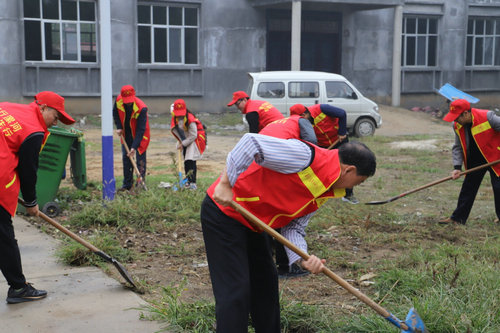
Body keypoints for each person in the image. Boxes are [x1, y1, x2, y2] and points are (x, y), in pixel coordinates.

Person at [200, 133, 376, 332]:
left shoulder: (325, 189)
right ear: (349, 170)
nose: (354, 187)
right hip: (224, 213)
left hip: (255, 223)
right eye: (358, 182)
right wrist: (225, 184)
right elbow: (251, 142)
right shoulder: (304, 156)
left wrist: (304, 259)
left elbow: (293, 228)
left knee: (266, 287)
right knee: (236, 290)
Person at [0, 91, 75, 304]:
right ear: (42, 108)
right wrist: (32, 203)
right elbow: (28, 171)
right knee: (4, 237)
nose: (55, 122)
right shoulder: (33, 131)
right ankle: (18, 288)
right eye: (55, 116)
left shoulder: (7, 106)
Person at [259, 115, 317, 278]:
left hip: (263, 167)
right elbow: (312, 145)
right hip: (272, 168)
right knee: (281, 217)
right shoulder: (302, 122)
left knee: (268, 217)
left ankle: (270, 266)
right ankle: (284, 267)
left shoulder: (282, 123)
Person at [439, 99, 500, 225]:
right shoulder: (457, 125)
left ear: (466, 113)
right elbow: (458, 147)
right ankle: (458, 219)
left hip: (496, 157)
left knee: (498, 188)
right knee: (468, 188)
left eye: (457, 117)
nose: (455, 120)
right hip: (475, 160)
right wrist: (457, 167)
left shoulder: (488, 117)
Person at [290, 103, 359, 204]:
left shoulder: (322, 109)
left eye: (301, 119)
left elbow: (342, 113)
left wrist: (342, 132)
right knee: (323, 169)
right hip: (324, 147)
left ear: (305, 115)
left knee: (347, 165)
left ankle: (348, 195)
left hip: (339, 140)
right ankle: (322, 194)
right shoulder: (302, 123)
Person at [113, 85, 150, 191]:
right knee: (126, 158)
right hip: (126, 133)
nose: (128, 103)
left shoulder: (142, 108)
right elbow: (115, 113)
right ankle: (127, 184)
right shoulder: (118, 100)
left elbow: (140, 130)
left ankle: (140, 184)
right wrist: (119, 127)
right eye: (126, 101)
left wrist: (134, 147)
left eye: (130, 101)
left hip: (141, 135)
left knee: (140, 160)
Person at [170, 99, 207, 190]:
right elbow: (180, 132)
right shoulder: (176, 118)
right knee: (186, 161)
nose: (179, 115)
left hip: (195, 139)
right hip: (187, 139)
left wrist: (183, 144)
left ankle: (192, 182)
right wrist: (180, 142)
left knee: (191, 160)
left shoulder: (190, 118)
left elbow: (193, 135)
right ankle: (187, 180)